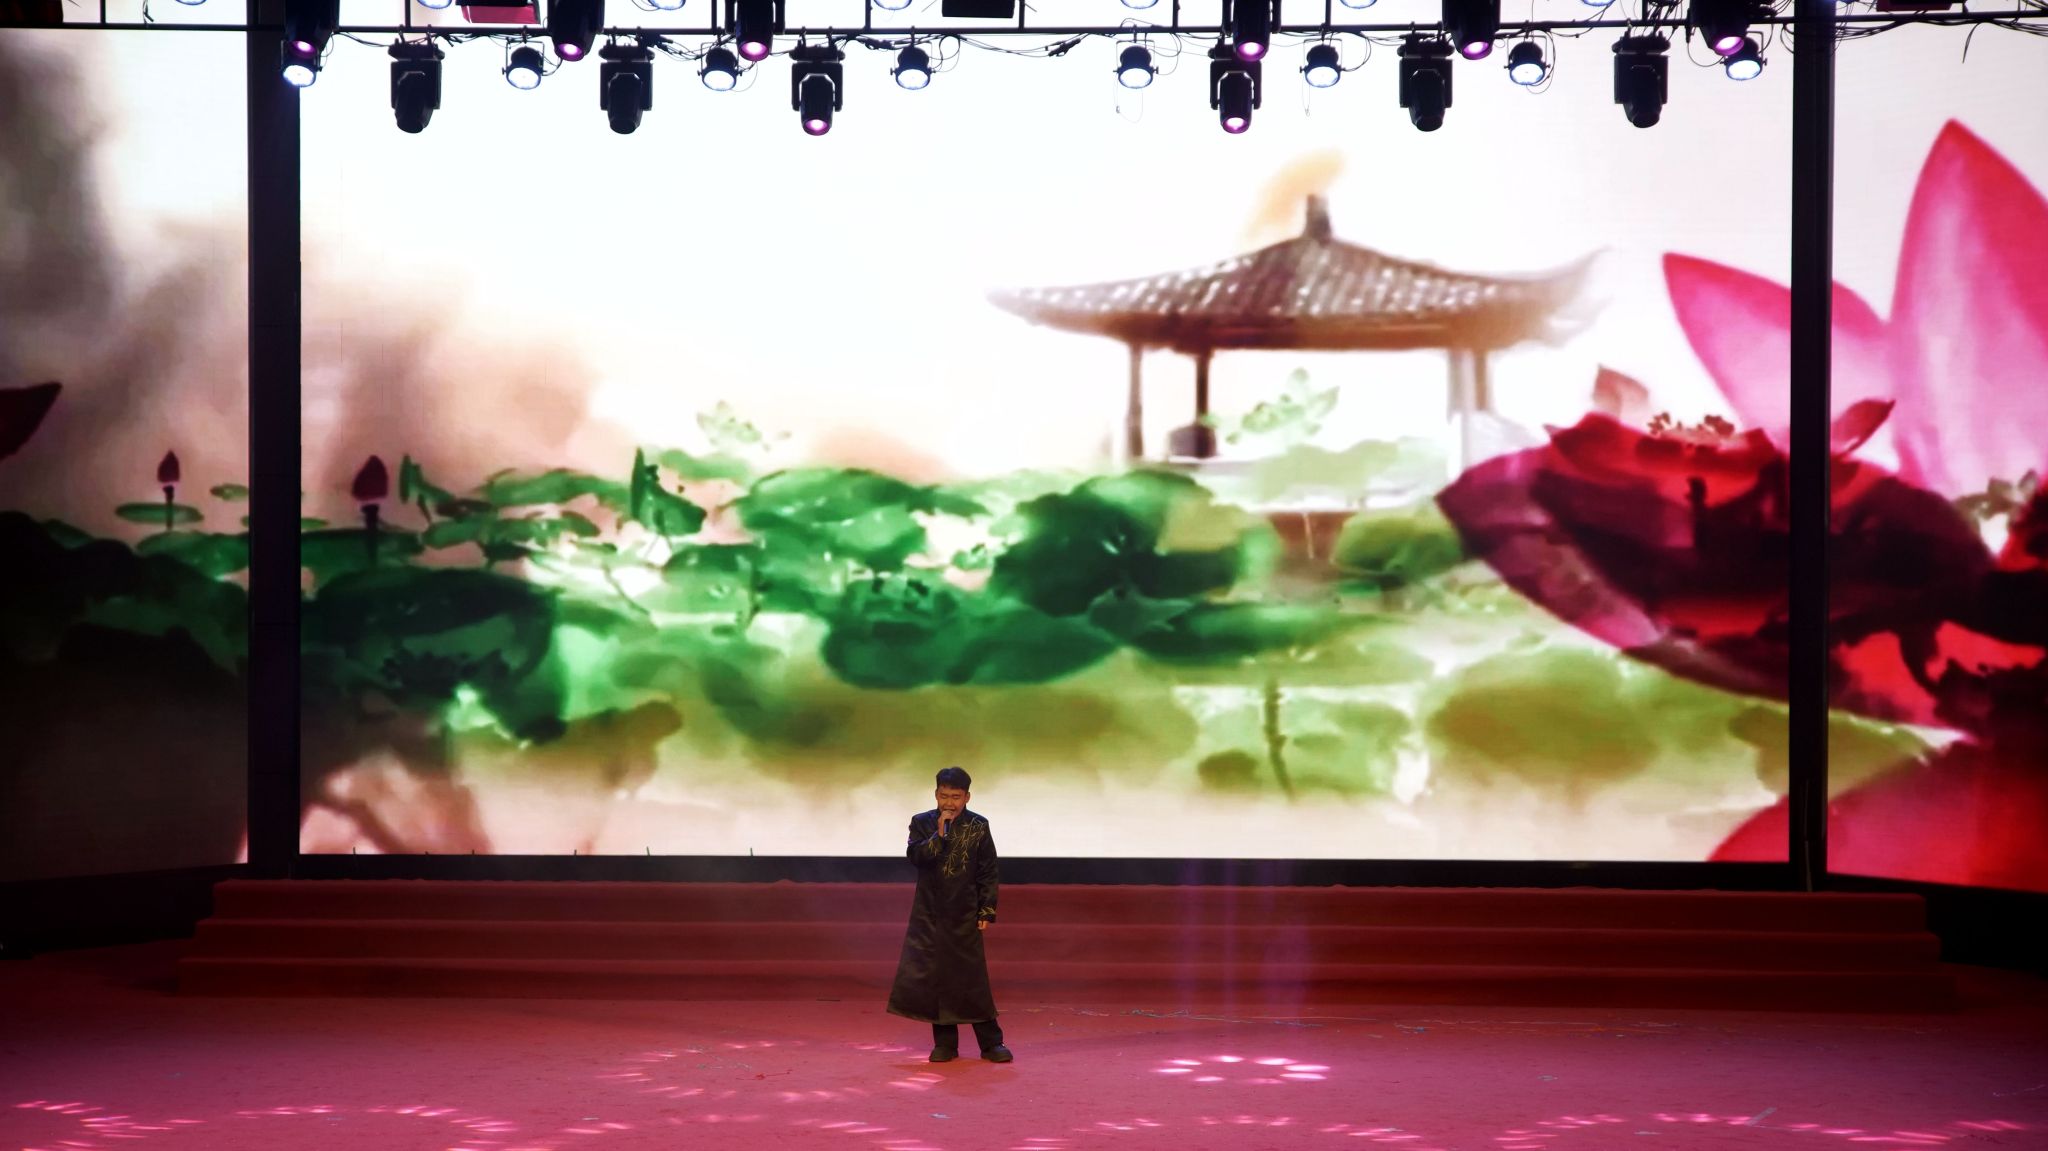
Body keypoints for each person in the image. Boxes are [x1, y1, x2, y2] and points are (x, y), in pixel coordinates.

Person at [885, 766, 1012, 1064]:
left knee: (972, 979)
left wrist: (987, 908)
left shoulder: (979, 826)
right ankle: (945, 1044)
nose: (949, 803)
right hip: (929, 914)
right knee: (936, 977)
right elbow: (916, 857)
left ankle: (991, 1043)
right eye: (944, 796)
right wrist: (939, 834)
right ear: (936, 794)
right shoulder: (922, 822)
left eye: (956, 797)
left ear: (967, 797)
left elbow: (988, 869)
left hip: (965, 912)